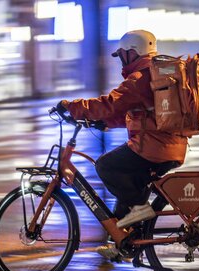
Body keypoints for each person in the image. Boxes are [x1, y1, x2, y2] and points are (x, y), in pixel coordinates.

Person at [57, 30, 188, 258]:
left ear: (131, 52)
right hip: (169, 145)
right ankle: (124, 242)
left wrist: (72, 106)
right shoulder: (157, 74)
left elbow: (110, 103)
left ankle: (141, 212)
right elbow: (135, 113)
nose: (121, 60)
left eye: (122, 55)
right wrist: (103, 123)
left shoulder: (140, 78)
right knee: (126, 184)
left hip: (153, 147)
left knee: (106, 166)